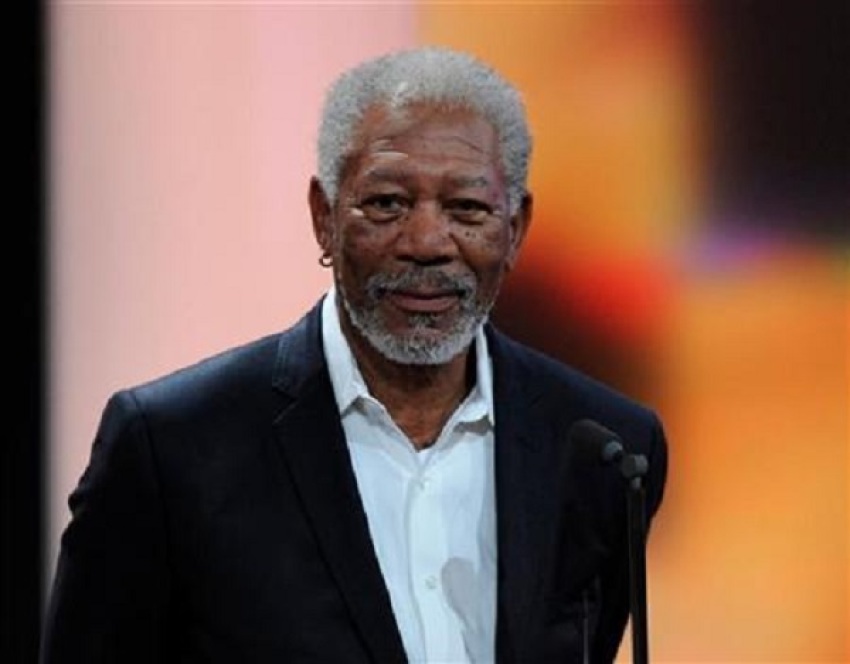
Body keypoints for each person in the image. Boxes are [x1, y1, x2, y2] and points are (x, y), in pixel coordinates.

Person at [40, 46, 668, 664]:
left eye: (467, 209)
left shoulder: (605, 451)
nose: (426, 243)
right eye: (388, 204)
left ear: (514, 230)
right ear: (324, 217)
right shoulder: (170, 448)